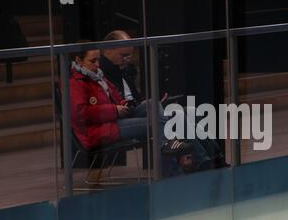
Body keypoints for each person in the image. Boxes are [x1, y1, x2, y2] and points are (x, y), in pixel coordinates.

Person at [69, 47, 210, 177]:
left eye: (98, 60)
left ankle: (202, 161)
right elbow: (81, 114)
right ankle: (174, 173)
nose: (97, 64)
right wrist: (115, 110)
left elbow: (115, 99)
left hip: (115, 118)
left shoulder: (98, 77)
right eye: (92, 61)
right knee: (159, 125)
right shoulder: (76, 83)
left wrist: (124, 105)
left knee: (157, 105)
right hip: (100, 129)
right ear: (78, 61)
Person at [101, 30, 227, 170]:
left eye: (129, 55)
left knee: (189, 112)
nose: (127, 59)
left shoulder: (124, 69)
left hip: (135, 110)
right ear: (108, 49)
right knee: (165, 110)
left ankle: (214, 157)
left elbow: (134, 98)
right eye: (123, 55)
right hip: (121, 116)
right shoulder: (102, 72)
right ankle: (200, 160)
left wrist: (146, 103)